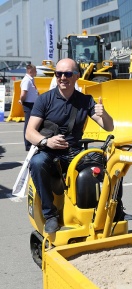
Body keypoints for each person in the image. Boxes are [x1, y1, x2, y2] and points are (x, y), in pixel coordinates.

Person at [25, 58, 114, 233]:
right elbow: (30, 132)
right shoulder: (45, 100)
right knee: (36, 163)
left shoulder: (86, 101)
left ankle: (114, 209)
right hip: (49, 151)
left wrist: (104, 114)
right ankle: (50, 215)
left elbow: (109, 126)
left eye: (67, 74)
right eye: (59, 74)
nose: (62, 78)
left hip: (74, 153)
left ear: (76, 77)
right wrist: (46, 141)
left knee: (112, 163)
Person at [19, 64, 39, 151]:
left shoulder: (31, 79)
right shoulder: (26, 80)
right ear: (30, 71)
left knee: (32, 123)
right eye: (35, 70)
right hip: (28, 104)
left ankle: (31, 142)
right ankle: (27, 144)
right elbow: (23, 93)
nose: (36, 72)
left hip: (32, 103)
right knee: (28, 124)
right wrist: (22, 100)